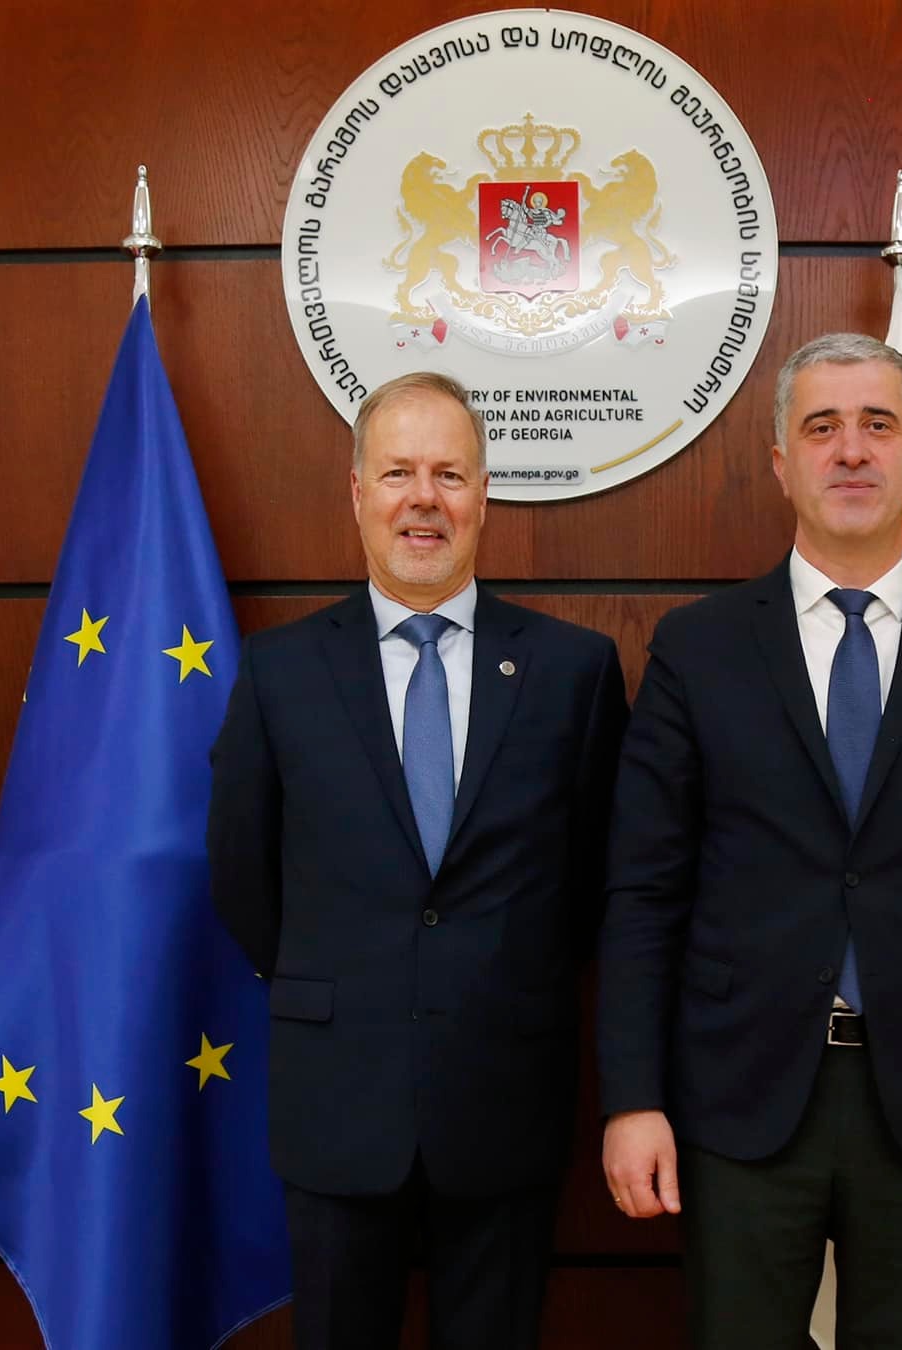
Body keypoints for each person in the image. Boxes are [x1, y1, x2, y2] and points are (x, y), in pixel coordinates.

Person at [595, 333, 902, 1349]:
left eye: (877, 426)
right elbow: (643, 893)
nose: (852, 450)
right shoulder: (698, 648)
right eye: (821, 428)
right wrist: (632, 1100)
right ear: (782, 464)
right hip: (739, 1098)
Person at [209, 371, 628, 1350]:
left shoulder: (573, 671)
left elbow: (596, 881)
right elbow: (242, 874)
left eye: (449, 474)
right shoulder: (279, 672)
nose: (423, 499)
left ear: (483, 495)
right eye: (398, 473)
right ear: (359, 493)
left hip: (504, 1094)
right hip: (335, 1100)